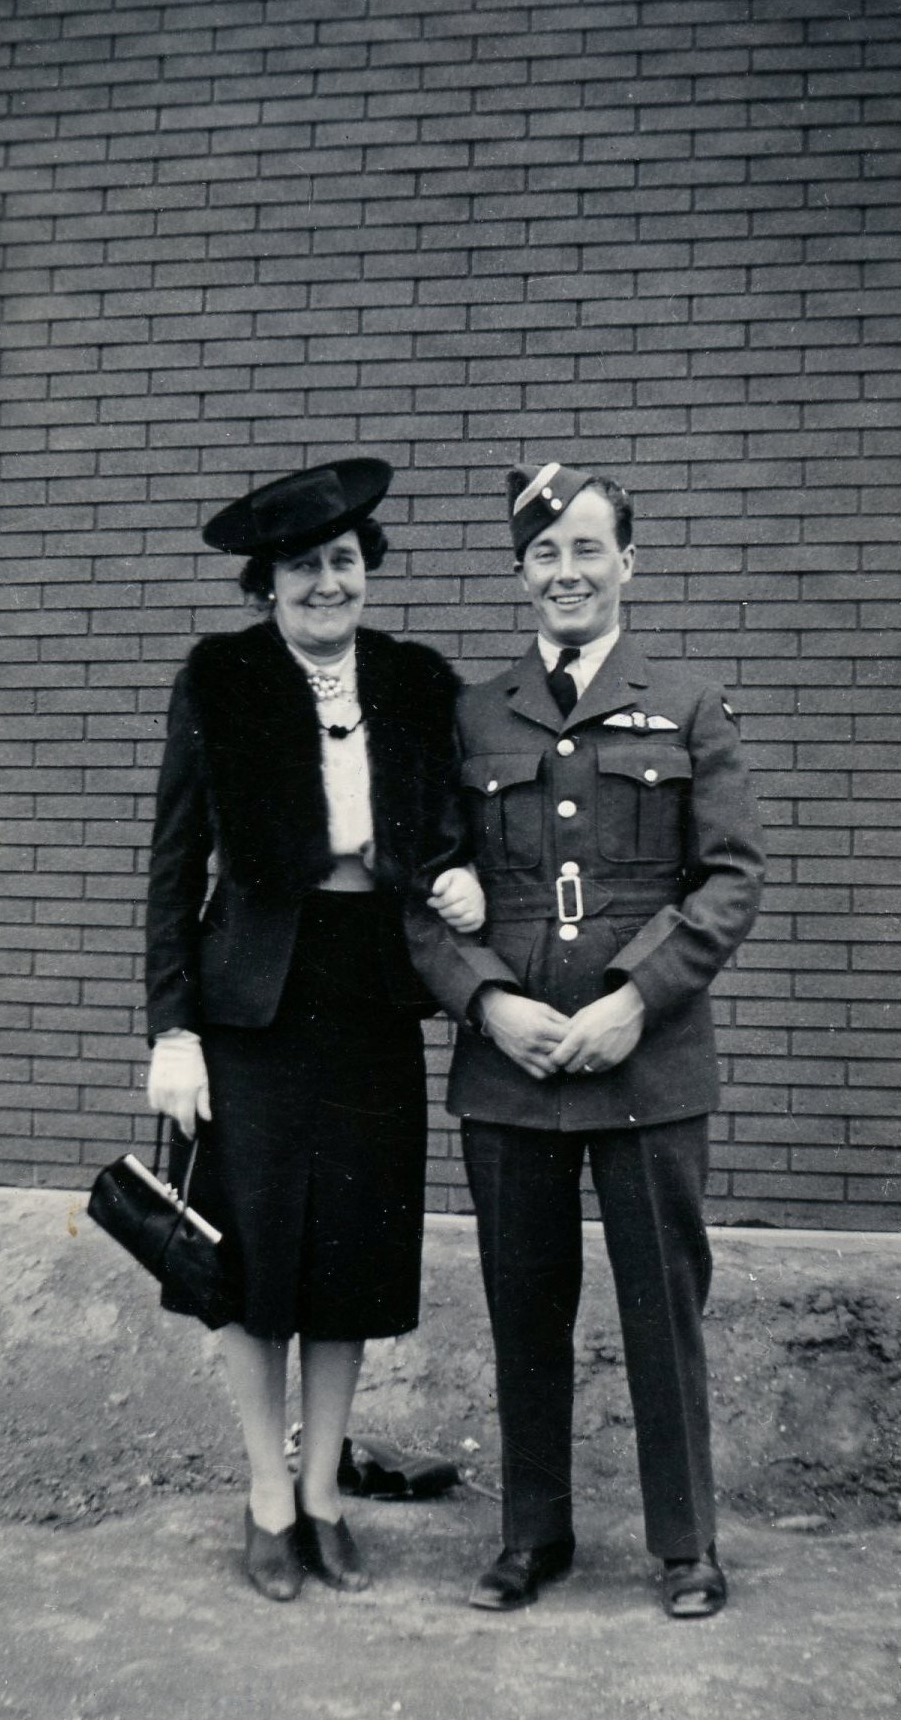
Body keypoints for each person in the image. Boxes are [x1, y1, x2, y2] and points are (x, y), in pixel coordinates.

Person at [407, 460, 765, 1620]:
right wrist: (487, 1002)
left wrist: (633, 999)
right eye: (544, 553)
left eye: (587, 549)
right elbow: (424, 891)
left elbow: (728, 877)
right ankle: (531, 1535)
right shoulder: (472, 714)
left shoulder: (688, 704)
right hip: (510, 1067)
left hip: (645, 1061)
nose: (567, 571)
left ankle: (686, 1545)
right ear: (521, 572)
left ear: (627, 562)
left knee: (661, 1305)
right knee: (523, 1307)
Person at [144, 456, 484, 1603]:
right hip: (251, 1002)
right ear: (265, 584)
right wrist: (172, 1028)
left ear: (366, 569)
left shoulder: (415, 680)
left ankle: (326, 1490)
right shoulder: (221, 677)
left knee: (348, 1252)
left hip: (373, 993)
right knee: (250, 1257)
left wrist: (459, 878)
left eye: (343, 560)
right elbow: (173, 861)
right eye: (301, 566)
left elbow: (451, 830)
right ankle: (266, 1495)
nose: (326, 582)